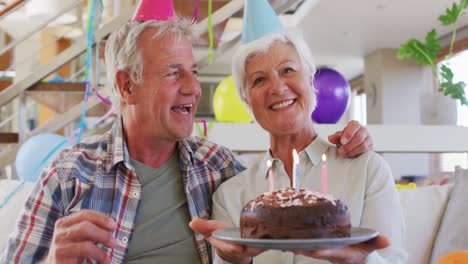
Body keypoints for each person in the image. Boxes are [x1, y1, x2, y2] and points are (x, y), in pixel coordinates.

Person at [1, 18, 373, 264]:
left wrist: (349, 144)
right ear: (127, 86)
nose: (194, 88)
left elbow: (288, 197)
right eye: (173, 73)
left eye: (193, 72)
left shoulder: (219, 167)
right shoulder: (69, 173)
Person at [190, 31, 407, 264]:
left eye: (288, 70)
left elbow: (393, 259)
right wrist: (236, 261)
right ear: (246, 101)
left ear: (311, 81)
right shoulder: (230, 195)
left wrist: (360, 261)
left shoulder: (367, 170)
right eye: (259, 80)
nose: (277, 87)